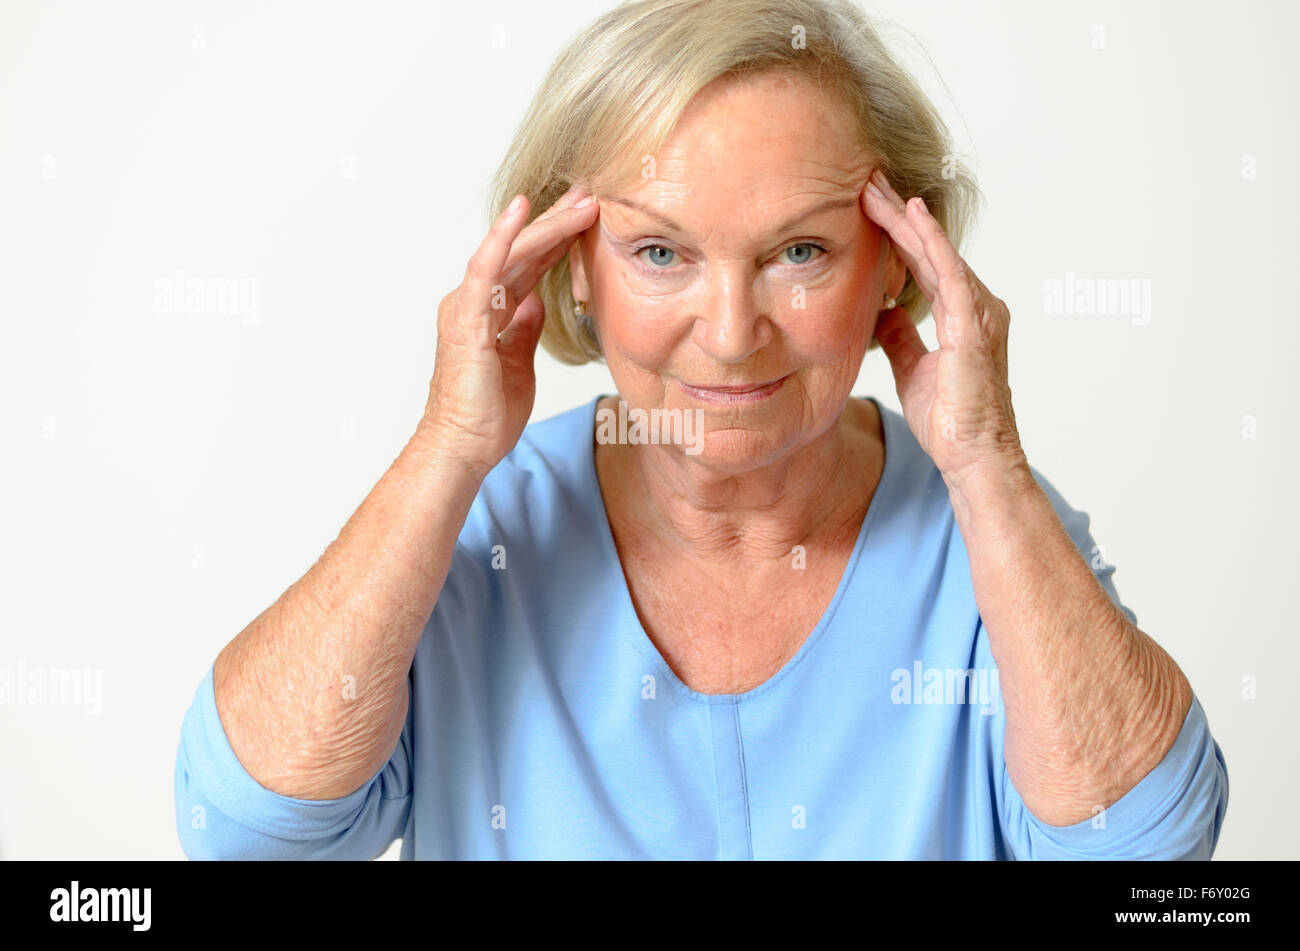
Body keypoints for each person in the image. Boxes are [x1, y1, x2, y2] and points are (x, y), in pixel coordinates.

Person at [174, 0, 1228, 859]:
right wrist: (448, 445)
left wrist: (989, 467)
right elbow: (244, 833)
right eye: (660, 253)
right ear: (571, 264)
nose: (729, 336)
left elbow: (1148, 860)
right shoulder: (470, 537)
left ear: (899, 263)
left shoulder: (991, 536)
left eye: (801, 252)